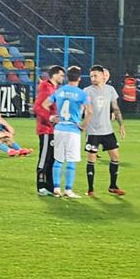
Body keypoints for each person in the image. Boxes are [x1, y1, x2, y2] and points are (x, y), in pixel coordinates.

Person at [42, 66, 89, 198]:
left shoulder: (59, 91)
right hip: (73, 129)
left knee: (58, 159)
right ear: (79, 78)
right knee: (71, 160)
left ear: (67, 77)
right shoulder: (82, 94)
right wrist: (84, 126)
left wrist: (52, 118)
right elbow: (90, 111)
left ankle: (56, 188)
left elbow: (45, 104)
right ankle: (68, 190)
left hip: (59, 128)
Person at [82, 64, 127, 197]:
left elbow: (116, 108)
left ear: (103, 76)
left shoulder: (110, 90)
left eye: (95, 75)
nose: (93, 78)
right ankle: (90, 189)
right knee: (91, 160)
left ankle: (113, 186)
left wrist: (121, 125)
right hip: (93, 131)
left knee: (115, 157)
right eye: (91, 76)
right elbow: (84, 109)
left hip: (107, 130)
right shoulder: (87, 91)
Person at [33, 65, 64, 195]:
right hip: (45, 129)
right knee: (44, 158)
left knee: (51, 158)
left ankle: (50, 186)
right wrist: (50, 118)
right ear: (55, 75)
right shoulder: (46, 87)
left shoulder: (53, 88)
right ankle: (41, 185)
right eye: (62, 75)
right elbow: (38, 107)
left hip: (52, 130)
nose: (63, 78)